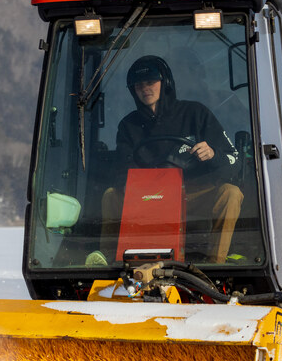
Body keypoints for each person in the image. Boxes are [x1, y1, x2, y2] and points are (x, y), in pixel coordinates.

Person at [101, 55, 243, 264]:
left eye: (151, 82)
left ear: (165, 82)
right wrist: (144, 189)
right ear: (132, 90)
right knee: (110, 196)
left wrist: (213, 155)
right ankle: (106, 262)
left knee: (231, 194)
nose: (145, 88)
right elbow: (122, 169)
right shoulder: (128, 126)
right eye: (139, 85)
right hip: (148, 196)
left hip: (193, 194)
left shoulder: (195, 113)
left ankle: (216, 264)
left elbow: (234, 161)